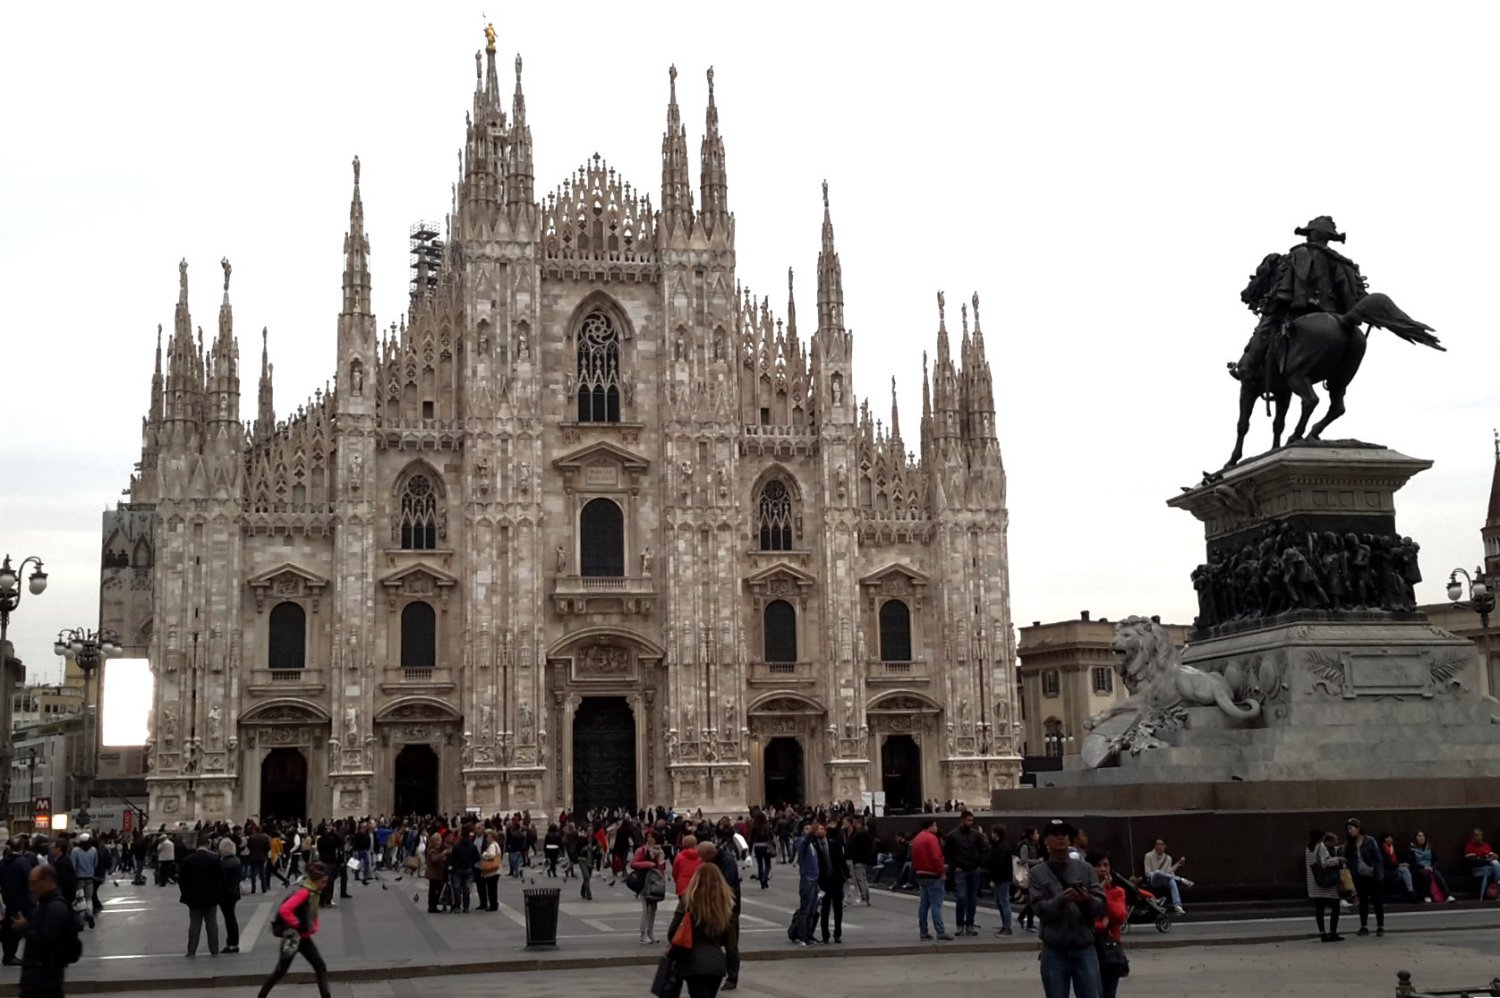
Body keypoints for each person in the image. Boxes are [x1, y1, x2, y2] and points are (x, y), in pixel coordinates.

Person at [1029, 819, 1105, 998]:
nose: (1061, 837)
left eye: (1065, 834)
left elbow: (1101, 905)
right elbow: (1039, 910)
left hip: (1084, 947)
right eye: (1055, 834)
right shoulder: (1037, 873)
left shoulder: (1085, 869)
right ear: (1046, 840)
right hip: (1055, 950)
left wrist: (1086, 899)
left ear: (1070, 840)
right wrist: (1061, 900)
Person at [665, 862, 740, 998]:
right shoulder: (727, 907)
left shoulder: (688, 903)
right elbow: (731, 947)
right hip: (716, 963)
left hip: (693, 963)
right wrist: (733, 974)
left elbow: (672, 933)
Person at [257, 862, 331, 998]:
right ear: (315, 881)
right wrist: (297, 924)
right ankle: (261, 996)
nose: (325, 885)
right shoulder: (304, 892)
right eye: (323, 882)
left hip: (303, 936)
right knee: (281, 970)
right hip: (293, 937)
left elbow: (311, 912)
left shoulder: (313, 892)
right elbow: (285, 909)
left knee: (319, 966)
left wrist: (312, 926)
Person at [16, 864, 80, 998]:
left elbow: (45, 941)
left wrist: (25, 927)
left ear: (48, 881)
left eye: (34, 882)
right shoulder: (45, 904)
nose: (31, 887)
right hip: (39, 977)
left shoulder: (55, 908)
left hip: (44, 979)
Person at [1089, 853, 1128, 998]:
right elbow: (1089, 919)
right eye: (1098, 865)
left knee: (1109, 992)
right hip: (1089, 946)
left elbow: (1119, 915)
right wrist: (1102, 924)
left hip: (1109, 949)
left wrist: (1103, 892)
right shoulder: (1084, 891)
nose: (1102, 869)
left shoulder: (1118, 891)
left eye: (1106, 865)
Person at [178, 834, 221, 958]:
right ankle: (214, 949)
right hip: (211, 897)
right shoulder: (215, 859)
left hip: (193, 897)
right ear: (207, 845)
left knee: (195, 924)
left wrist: (186, 894)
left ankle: (191, 950)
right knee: (212, 923)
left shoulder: (187, 860)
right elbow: (221, 877)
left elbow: (181, 880)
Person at [944, 810, 986, 936]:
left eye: (972, 821)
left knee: (972, 899)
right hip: (961, 870)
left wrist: (979, 865)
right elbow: (947, 853)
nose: (971, 823)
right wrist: (954, 866)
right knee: (962, 897)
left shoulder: (975, 835)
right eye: (968, 820)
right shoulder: (952, 835)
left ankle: (970, 924)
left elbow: (982, 849)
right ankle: (960, 924)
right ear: (962, 820)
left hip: (973, 870)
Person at [910, 816, 952, 941]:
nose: (937, 827)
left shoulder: (917, 838)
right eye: (935, 825)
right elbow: (936, 856)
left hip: (920, 874)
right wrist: (942, 872)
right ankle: (940, 931)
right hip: (933, 874)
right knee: (936, 904)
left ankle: (923, 931)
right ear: (930, 826)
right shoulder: (931, 838)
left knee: (924, 904)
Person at [1344, 818, 1384, 936]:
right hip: (1359, 875)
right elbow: (1347, 856)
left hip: (1372, 874)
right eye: (1348, 829)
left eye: (1351, 828)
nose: (1350, 831)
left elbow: (1377, 858)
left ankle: (1380, 926)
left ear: (1358, 828)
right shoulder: (1350, 843)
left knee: (1377, 901)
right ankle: (1364, 926)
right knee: (1363, 901)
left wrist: (1379, 874)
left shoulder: (1370, 841)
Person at [630, 827, 667, 945]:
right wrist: (648, 864)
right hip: (644, 881)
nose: (650, 839)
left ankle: (650, 932)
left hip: (654, 881)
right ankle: (643, 934)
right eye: (648, 837)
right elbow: (633, 863)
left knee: (653, 909)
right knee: (645, 909)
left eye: (652, 837)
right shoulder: (641, 850)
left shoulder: (660, 851)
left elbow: (662, 867)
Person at [1306, 829, 1344, 942]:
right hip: (1327, 883)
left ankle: (1322, 933)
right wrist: (1338, 860)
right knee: (1335, 907)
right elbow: (1325, 862)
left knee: (1319, 909)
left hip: (1314, 884)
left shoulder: (1308, 848)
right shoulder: (1320, 846)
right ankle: (1333, 932)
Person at [0, 846, 34, 966]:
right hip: (21, 901)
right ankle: (11, 956)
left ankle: (7, 955)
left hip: (7, 901)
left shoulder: (3, 862)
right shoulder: (23, 862)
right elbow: (30, 879)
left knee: (8, 929)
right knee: (19, 929)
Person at [1141, 837, 1193, 915]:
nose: (1159, 846)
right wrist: (1158, 873)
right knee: (1157, 872)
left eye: (1161, 844)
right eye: (1157, 844)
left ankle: (1177, 906)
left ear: (1165, 846)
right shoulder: (1148, 856)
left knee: (1171, 881)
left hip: (1165, 879)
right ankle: (1180, 880)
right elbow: (1147, 873)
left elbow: (1169, 873)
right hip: (1153, 880)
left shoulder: (1168, 858)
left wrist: (1177, 865)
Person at [817, 821, 848, 944]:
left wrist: (848, 875)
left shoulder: (833, 844)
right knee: (825, 909)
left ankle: (837, 933)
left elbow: (841, 860)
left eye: (821, 829)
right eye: (817, 830)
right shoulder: (814, 846)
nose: (820, 831)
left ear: (825, 831)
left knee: (838, 908)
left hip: (836, 879)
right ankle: (825, 935)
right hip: (823, 881)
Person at [791, 822, 821, 946]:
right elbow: (806, 840)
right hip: (807, 880)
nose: (809, 831)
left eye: (810, 828)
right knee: (805, 910)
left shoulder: (812, 845)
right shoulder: (801, 842)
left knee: (813, 910)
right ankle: (803, 936)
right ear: (803, 830)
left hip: (814, 880)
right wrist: (812, 832)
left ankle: (809, 935)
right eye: (806, 829)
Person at [1409, 831, 1455, 903]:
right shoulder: (1411, 849)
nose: (1421, 838)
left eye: (1423, 836)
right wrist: (1423, 867)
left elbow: (1435, 861)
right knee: (1424, 874)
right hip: (1419, 869)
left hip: (1430, 867)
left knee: (1437, 873)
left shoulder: (1429, 848)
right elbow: (1412, 862)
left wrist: (1433, 867)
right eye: (1419, 836)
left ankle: (1447, 895)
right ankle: (1426, 895)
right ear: (1415, 838)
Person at [985, 824, 1014, 936]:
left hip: (1002, 879)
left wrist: (994, 879)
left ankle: (1007, 927)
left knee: (1003, 902)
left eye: (992, 833)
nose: (991, 835)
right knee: (1001, 902)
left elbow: (1000, 865)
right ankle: (1005, 926)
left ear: (996, 834)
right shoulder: (1000, 846)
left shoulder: (1001, 847)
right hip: (1002, 878)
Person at [218, 838, 243, 954]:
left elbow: (221, 880)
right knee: (231, 917)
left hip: (225, 894)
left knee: (229, 918)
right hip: (234, 892)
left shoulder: (223, 863)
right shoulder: (236, 860)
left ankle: (232, 943)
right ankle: (233, 942)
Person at [448, 829, 478, 913]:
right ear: (468, 836)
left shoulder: (457, 846)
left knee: (457, 887)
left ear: (461, 836)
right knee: (466, 888)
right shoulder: (473, 846)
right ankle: (466, 906)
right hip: (469, 869)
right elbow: (477, 858)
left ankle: (457, 906)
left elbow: (453, 858)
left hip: (458, 869)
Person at [1464, 828, 1500, 892]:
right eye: (1477, 835)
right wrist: (1487, 860)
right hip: (1476, 869)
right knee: (1494, 864)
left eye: (1481, 835)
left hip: (1489, 867)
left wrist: (1495, 856)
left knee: (1495, 863)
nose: (1479, 837)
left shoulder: (1486, 845)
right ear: (1473, 836)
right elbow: (1474, 861)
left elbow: (1491, 855)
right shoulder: (1469, 847)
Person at [423, 832, 450, 913]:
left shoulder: (437, 850)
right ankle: (432, 906)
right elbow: (434, 859)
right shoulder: (432, 850)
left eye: (439, 840)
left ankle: (433, 905)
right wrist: (443, 854)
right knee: (434, 890)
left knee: (436, 889)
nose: (439, 842)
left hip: (437, 873)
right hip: (433, 873)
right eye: (437, 840)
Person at [477, 829, 502, 912]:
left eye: (489, 837)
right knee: (493, 889)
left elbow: (491, 855)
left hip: (492, 871)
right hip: (496, 870)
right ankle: (494, 904)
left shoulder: (492, 846)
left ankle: (493, 905)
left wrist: (484, 854)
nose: (487, 838)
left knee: (491, 889)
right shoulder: (496, 845)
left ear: (493, 837)